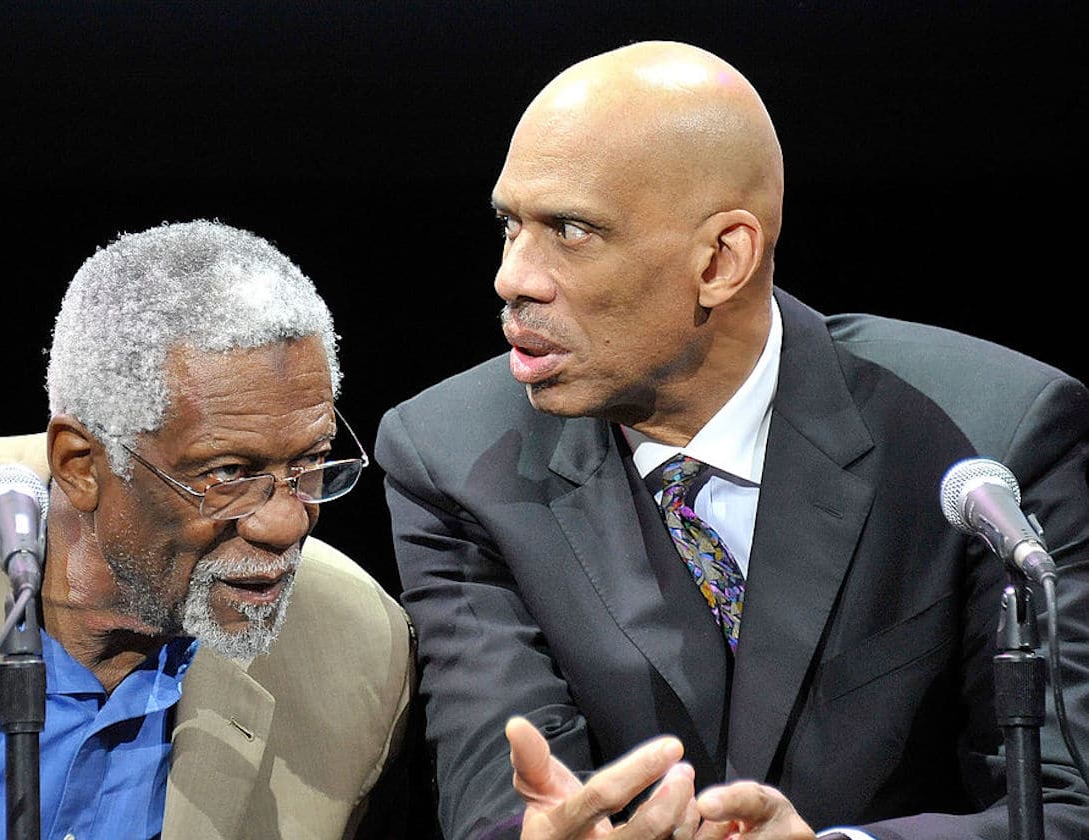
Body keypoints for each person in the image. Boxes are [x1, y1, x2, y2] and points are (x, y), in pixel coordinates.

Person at [375, 41, 1089, 840]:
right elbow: (502, 797)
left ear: (722, 258)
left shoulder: (986, 440)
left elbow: (1063, 803)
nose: (514, 277)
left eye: (571, 230)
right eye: (510, 224)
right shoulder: (451, 455)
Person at [0, 220, 414, 839]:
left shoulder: (358, 651)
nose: (286, 521)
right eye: (228, 474)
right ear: (81, 465)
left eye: (310, 462)